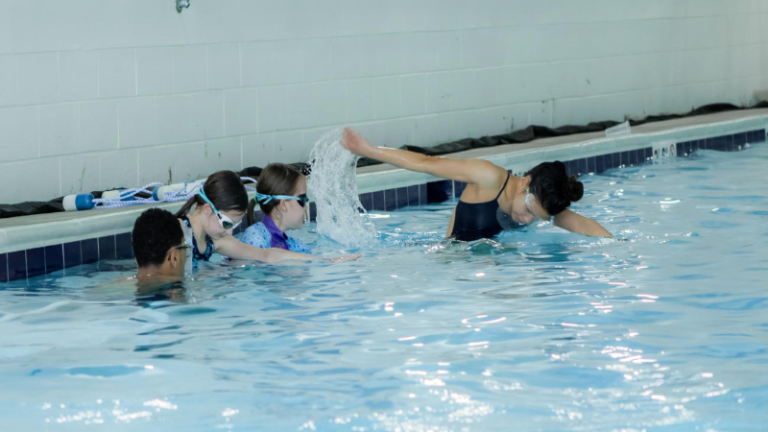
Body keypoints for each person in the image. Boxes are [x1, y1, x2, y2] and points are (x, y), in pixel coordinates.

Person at [340, 128, 612, 241]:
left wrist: (620, 245)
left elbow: (579, 223)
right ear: (525, 183)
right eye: (529, 209)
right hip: (454, 262)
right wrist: (369, 150)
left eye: (535, 218)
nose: (526, 218)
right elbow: (426, 163)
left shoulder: (542, 203)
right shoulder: (488, 177)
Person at [174, 170, 358, 264]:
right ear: (207, 209)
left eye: (234, 225)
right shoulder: (175, 232)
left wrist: (326, 261)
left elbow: (266, 255)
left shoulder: (216, 242)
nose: (229, 231)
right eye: (227, 223)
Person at [241, 163, 313, 252]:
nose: (306, 207)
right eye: (303, 199)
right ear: (283, 205)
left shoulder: (297, 246)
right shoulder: (255, 239)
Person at [128, 207, 188, 301]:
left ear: (136, 259)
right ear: (174, 257)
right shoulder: (175, 292)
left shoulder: (114, 287)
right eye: (185, 248)